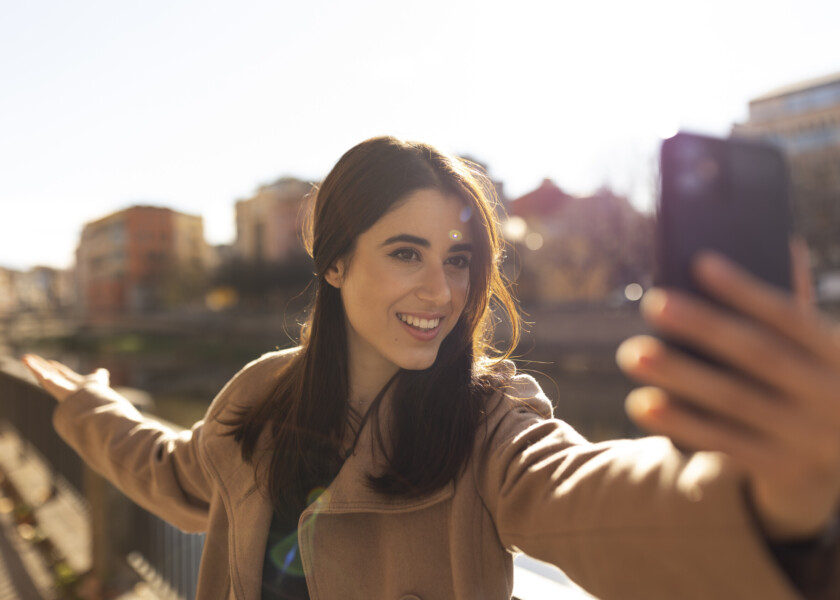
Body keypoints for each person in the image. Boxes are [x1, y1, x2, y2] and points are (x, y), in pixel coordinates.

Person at [23, 136, 840, 599]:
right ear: (335, 264)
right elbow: (177, 476)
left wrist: (765, 503)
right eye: (405, 253)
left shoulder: (491, 417)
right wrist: (90, 408)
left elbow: (584, 497)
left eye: (458, 258)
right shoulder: (263, 392)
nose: (442, 289)